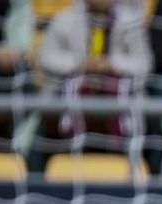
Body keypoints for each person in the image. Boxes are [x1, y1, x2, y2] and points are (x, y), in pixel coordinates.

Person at [39, 0, 153, 155]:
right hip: (67, 95)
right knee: (40, 124)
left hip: (120, 97)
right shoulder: (64, 19)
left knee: (151, 121)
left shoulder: (130, 22)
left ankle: (126, 158)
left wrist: (111, 64)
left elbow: (145, 64)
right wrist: (80, 65)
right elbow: (46, 58)